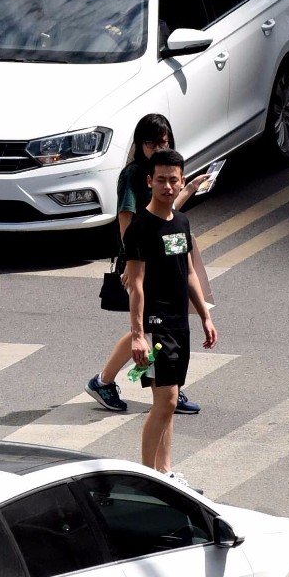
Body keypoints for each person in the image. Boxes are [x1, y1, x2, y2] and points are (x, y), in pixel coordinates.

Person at [85, 113, 211, 415]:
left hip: (165, 262)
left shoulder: (165, 176)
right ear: (139, 144)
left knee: (152, 327)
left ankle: (155, 386)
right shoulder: (133, 176)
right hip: (142, 262)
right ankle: (159, 388)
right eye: (150, 143)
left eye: (163, 142)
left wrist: (190, 188)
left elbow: (165, 212)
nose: (156, 148)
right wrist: (132, 261)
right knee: (150, 327)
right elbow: (128, 222)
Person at [122, 149, 217, 486]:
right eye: (160, 179)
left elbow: (188, 271)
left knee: (168, 400)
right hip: (157, 325)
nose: (166, 185)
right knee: (167, 400)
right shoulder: (140, 229)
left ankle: (165, 472)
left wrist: (204, 314)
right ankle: (149, 477)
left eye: (172, 180)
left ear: (181, 183)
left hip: (181, 323)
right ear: (149, 181)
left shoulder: (181, 222)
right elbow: (135, 284)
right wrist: (137, 334)